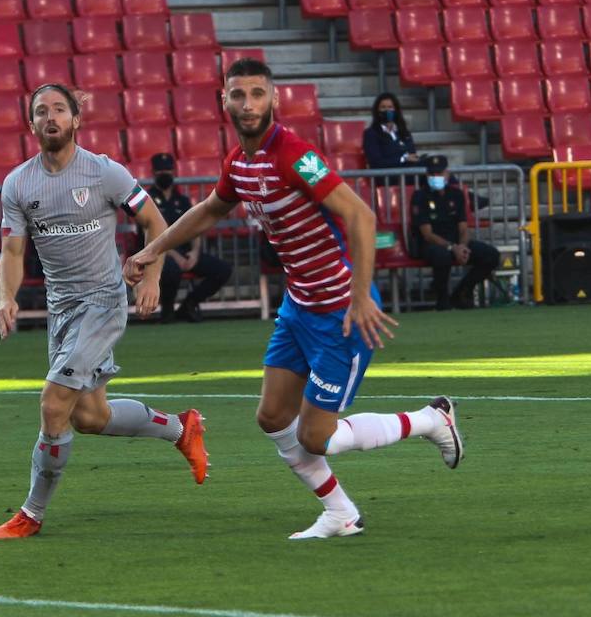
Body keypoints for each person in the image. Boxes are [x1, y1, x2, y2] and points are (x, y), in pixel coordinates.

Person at [125, 59, 463, 540]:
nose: (248, 104)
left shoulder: (294, 153)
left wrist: (361, 298)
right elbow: (209, 209)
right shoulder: (240, 162)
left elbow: (360, 216)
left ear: (274, 99)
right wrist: (152, 249)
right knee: (271, 417)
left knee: (315, 436)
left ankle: (430, 420)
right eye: (238, 94)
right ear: (224, 100)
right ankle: (341, 514)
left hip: (340, 313)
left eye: (257, 93)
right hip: (299, 307)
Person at [0, 84, 209, 539]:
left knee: (53, 406)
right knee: (90, 417)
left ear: (76, 120)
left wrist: (150, 275)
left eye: (60, 110)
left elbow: (155, 222)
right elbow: (12, 252)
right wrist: (5, 296)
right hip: (62, 311)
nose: (51, 117)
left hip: (104, 304)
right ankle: (180, 428)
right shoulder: (18, 184)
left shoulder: (105, 174)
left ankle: (31, 513)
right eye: (41, 111)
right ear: (31, 125)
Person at [146, 152, 232, 323]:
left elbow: (195, 227)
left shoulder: (182, 200)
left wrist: (194, 252)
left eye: (168, 170)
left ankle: (189, 304)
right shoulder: (147, 200)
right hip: (158, 253)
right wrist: (175, 256)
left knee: (222, 269)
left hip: (185, 251)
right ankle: (167, 310)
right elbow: (151, 235)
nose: (165, 174)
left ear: (174, 171)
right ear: (153, 173)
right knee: (172, 269)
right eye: (160, 171)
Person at [410, 156, 500, 310]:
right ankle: (442, 299)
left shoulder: (456, 194)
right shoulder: (420, 196)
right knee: (441, 255)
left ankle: (462, 292)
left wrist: (462, 247)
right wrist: (453, 248)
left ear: (446, 174)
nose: (435, 177)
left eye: (439, 173)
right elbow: (427, 234)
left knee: (491, 255)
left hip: (456, 241)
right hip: (432, 244)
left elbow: (463, 227)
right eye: (432, 174)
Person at [361, 93, 419, 172]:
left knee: (436, 163)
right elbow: (376, 162)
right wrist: (402, 159)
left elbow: (412, 155)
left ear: (396, 110)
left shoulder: (404, 132)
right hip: (387, 176)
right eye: (383, 107)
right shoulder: (371, 134)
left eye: (390, 107)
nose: (387, 110)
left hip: (408, 172)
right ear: (377, 111)